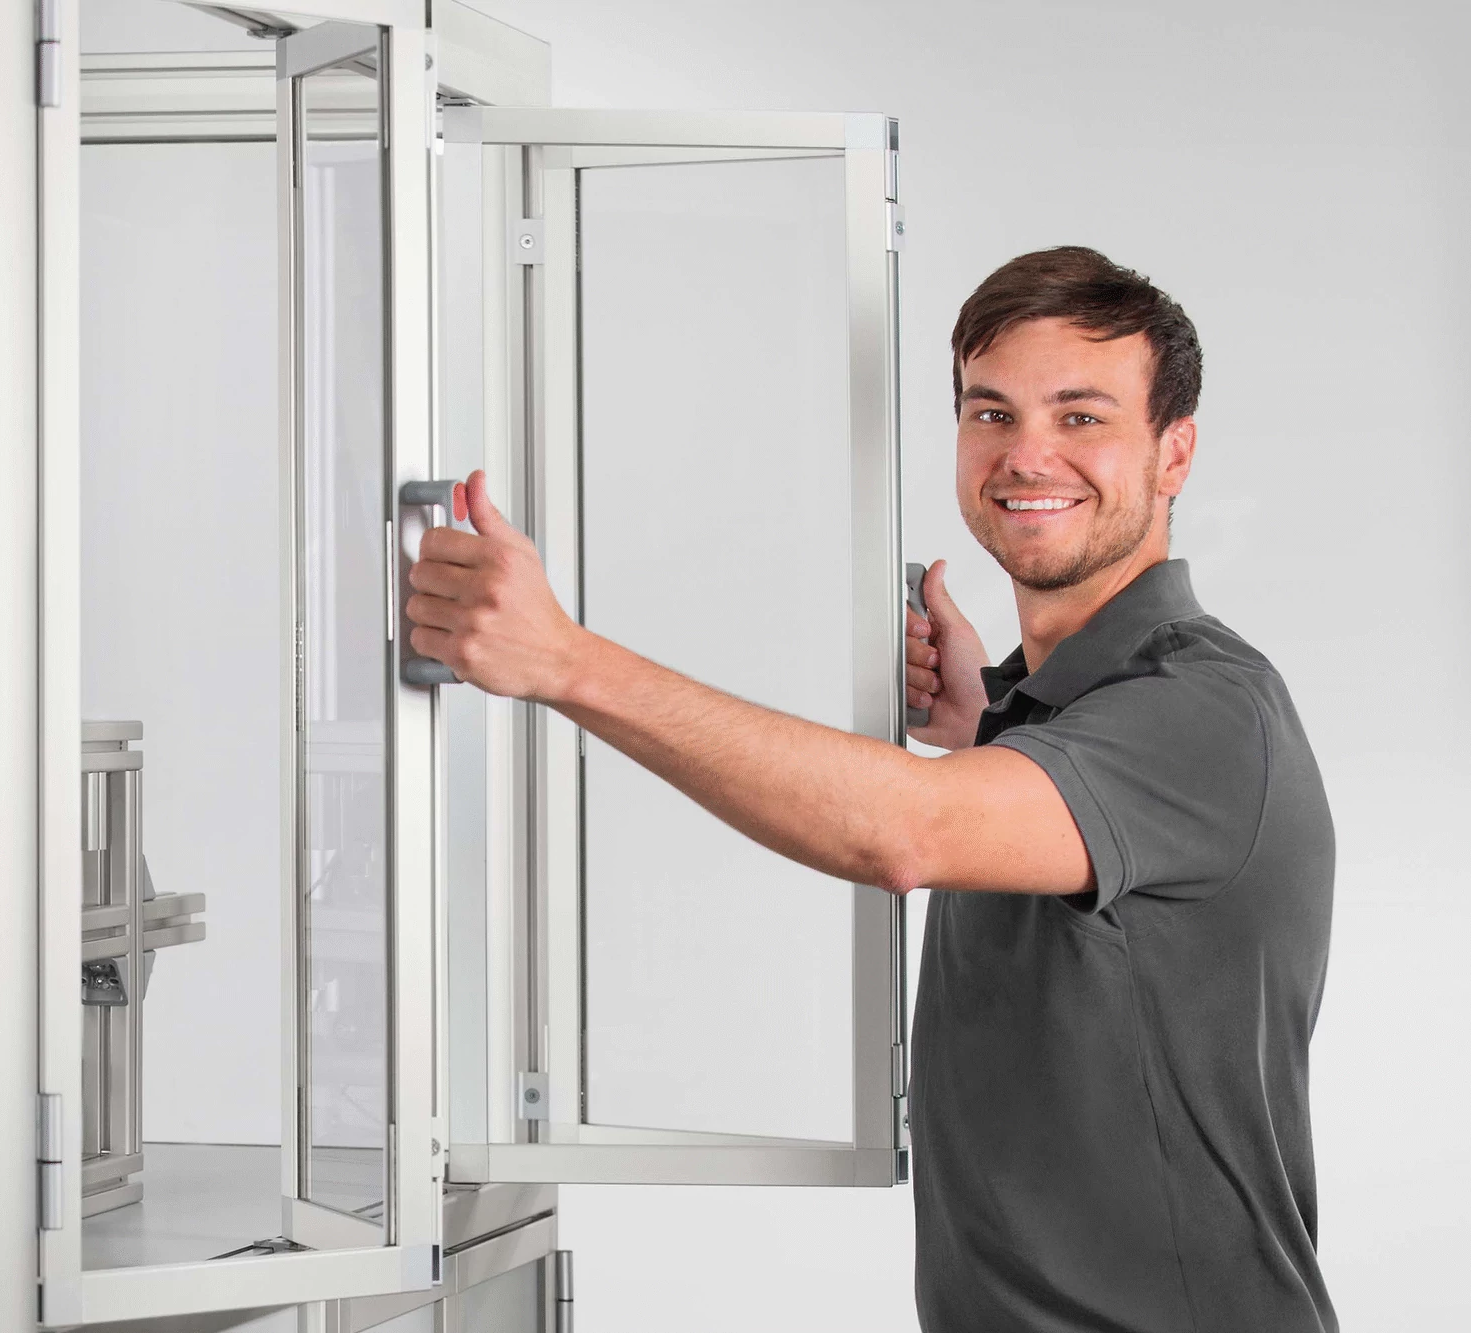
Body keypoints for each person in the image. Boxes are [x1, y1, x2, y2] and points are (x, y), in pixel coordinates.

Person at [406, 246, 1337, 1333]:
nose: (1025, 454)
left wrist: (564, 661)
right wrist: (988, 720)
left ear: (1173, 452)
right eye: (990, 413)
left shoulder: (1203, 710)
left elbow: (904, 832)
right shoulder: (1065, 715)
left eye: (1080, 416)